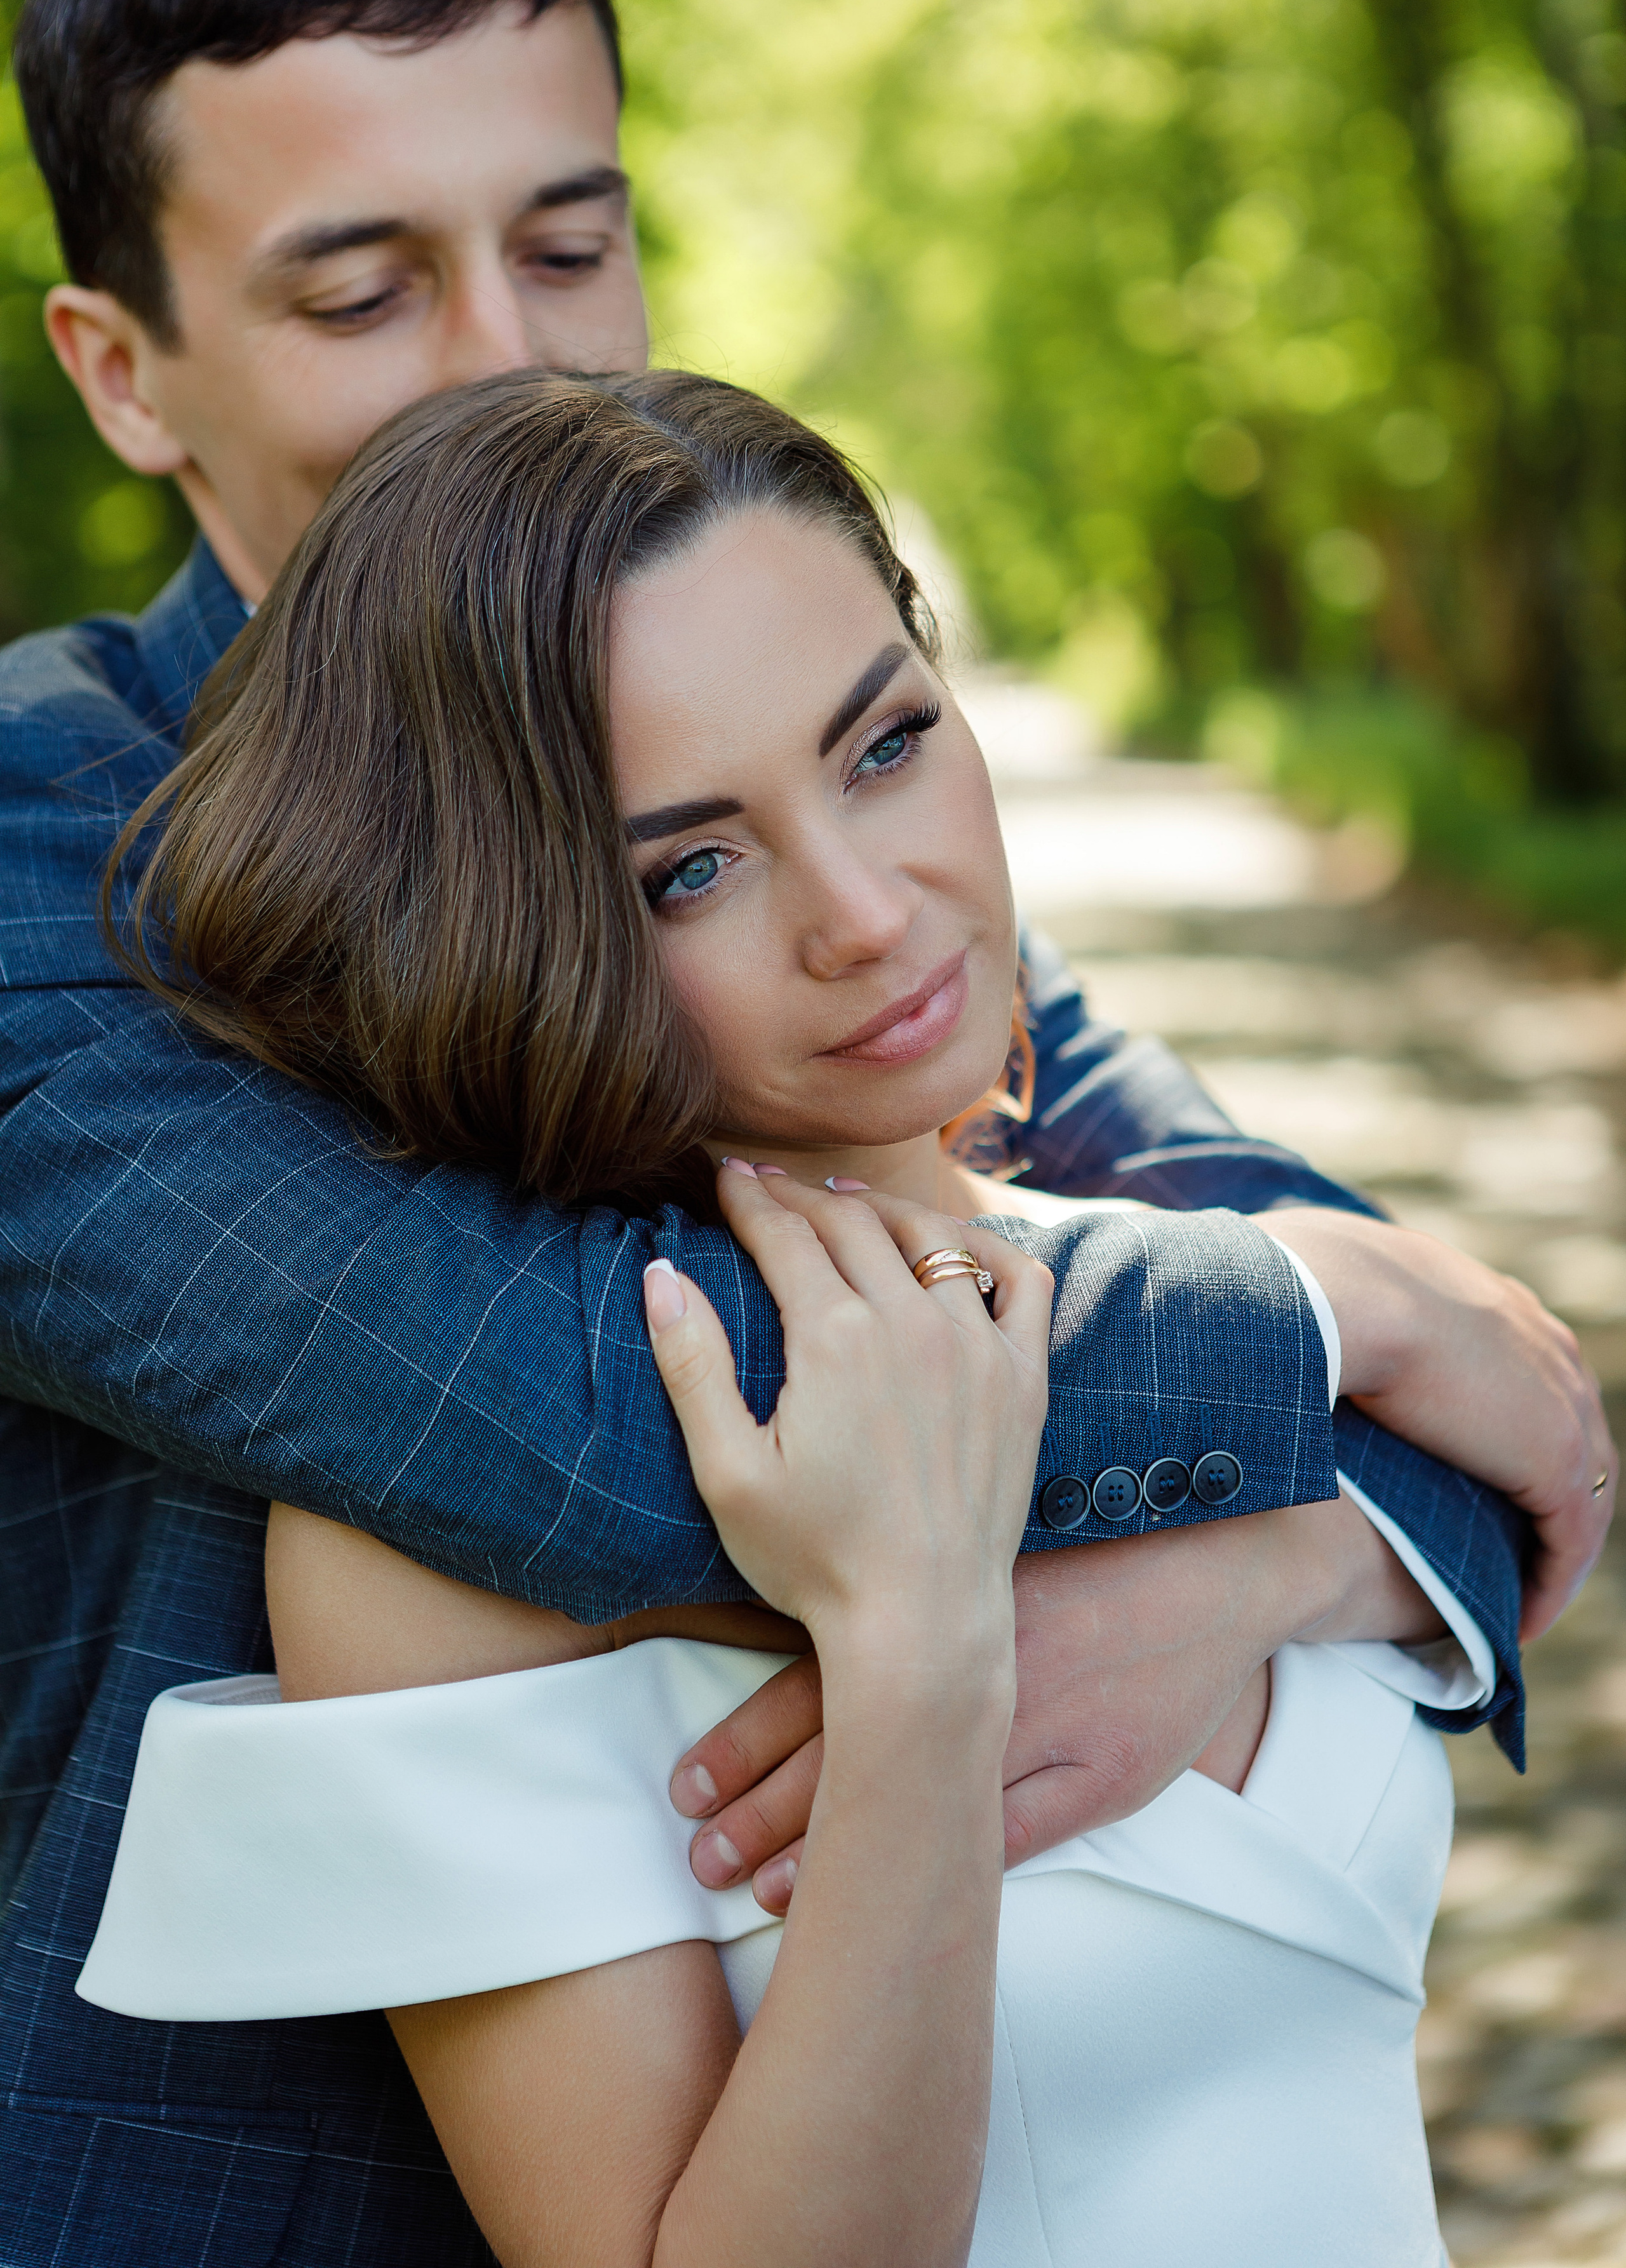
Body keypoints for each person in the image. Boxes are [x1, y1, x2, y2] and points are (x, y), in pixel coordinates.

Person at [0, 0, 1608, 2258]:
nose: (514, 365)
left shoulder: (772, 756)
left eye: (569, 244)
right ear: (125, 371)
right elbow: (552, 1403)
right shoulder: (53, 839)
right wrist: (1333, 1328)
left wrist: (1283, 1559)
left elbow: (1474, 1402)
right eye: (363, 287)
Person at [83, 365, 1508, 2264]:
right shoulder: (441, 1544)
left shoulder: (1144, 1288)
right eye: (690, 866)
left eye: (885, 743)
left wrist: (1275, 1573)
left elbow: (1523, 1486)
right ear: (510, 937)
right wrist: (920, 1665)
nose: (864, 909)